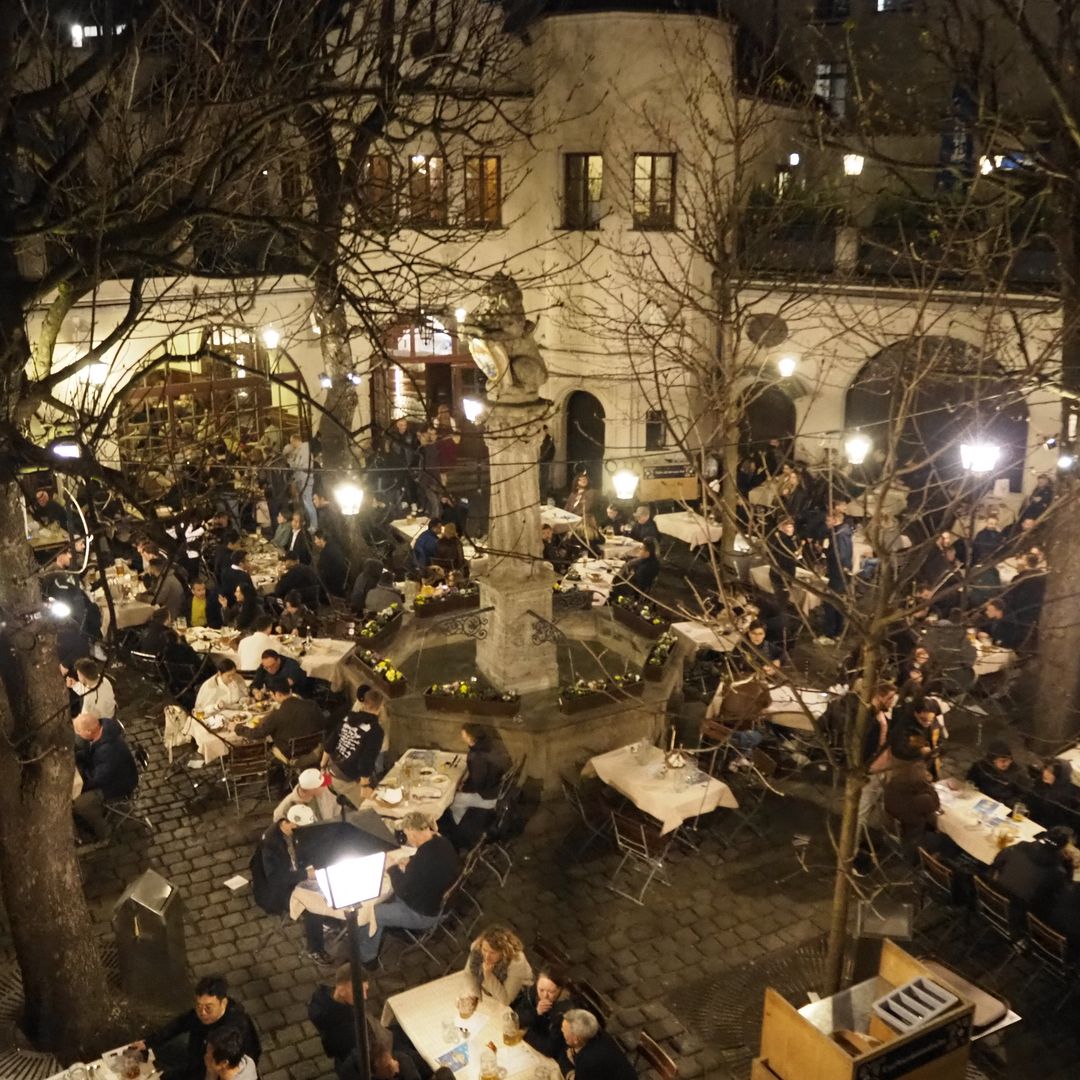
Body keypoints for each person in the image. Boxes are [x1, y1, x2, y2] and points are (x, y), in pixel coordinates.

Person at [356, 811, 460, 963]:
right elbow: (424, 863)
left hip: (425, 914)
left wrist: (391, 867)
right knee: (385, 897)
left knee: (372, 914)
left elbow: (403, 891)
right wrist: (410, 861)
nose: (408, 839)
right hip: (442, 903)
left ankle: (367, 957)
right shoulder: (441, 842)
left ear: (413, 832)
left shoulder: (424, 860)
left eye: (407, 834)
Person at [308, 964, 420, 1080]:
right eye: (361, 991)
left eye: (366, 990)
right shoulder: (345, 1028)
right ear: (342, 989)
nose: (365, 997)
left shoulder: (336, 1000)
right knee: (418, 1059)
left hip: (380, 1039)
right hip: (380, 1053)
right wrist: (388, 1060)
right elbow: (370, 1058)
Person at [138, 975, 261, 1080]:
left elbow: (250, 1054)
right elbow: (181, 1022)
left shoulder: (236, 1029)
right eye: (198, 1006)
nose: (201, 1013)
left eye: (208, 1008)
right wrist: (149, 1042)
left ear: (223, 1003)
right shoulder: (202, 1014)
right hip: (200, 1065)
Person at [72, 711, 139, 842]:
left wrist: (80, 787)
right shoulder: (101, 732)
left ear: (89, 732)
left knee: (81, 804)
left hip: (118, 785)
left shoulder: (107, 751)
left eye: (79, 732)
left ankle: (104, 831)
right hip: (111, 776)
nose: (78, 735)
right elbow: (89, 753)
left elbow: (97, 779)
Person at [991, 825, 1073, 921]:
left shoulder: (1021, 846)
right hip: (1018, 916)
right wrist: (1069, 867)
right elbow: (1059, 898)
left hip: (994, 897)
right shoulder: (1057, 872)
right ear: (1064, 847)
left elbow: (997, 861)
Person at [322, 686, 385, 807]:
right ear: (381, 706)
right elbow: (367, 760)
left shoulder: (347, 718)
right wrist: (364, 786)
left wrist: (322, 767)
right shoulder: (375, 731)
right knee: (371, 810)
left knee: (331, 800)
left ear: (363, 703)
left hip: (329, 773)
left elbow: (329, 744)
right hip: (345, 778)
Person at [237, 676, 326, 752]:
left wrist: (237, 728)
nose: (272, 697)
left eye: (272, 695)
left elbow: (257, 734)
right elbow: (323, 724)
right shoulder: (312, 704)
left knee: (269, 742)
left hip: (294, 753)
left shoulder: (276, 715)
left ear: (278, 694)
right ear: (290, 691)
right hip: (316, 748)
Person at [250, 805, 310, 916]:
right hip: (276, 892)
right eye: (300, 827)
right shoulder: (271, 844)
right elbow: (276, 878)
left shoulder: (291, 833)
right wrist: (305, 874)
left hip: (293, 876)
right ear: (290, 823)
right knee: (313, 903)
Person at [512, 966, 579, 1059]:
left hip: (552, 1055)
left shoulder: (564, 1011)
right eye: (541, 990)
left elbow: (551, 1049)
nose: (545, 995)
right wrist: (536, 1013)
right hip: (533, 1042)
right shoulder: (533, 991)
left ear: (560, 989)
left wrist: (525, 1032)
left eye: (551, 992)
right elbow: (516, 1016)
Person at [460, 926, 534, 1006]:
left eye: (492, 953)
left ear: (503, 952)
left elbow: (505, 1000)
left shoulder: (516, 962)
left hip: (519, 997)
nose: (487, 956)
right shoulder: (478, 946)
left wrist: (488, 975)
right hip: (491, 992)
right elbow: (469, 973)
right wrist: (474, 996)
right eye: (484, 950)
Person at [883, 759, 941, 857]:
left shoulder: (893, 784)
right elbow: (936, 805)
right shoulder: (922, 799)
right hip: (915, 841)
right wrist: (929, 785)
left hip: (896, 832)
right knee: (948, 840)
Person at [558, 1009, 636, 1080]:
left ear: (576, 1039)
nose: (562, 1030)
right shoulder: (596, 1033)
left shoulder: (589, 1060)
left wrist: (570, 1073)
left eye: (564, 1031)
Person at [889, 696, 947, 781]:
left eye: (930, 720)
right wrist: (919, 752)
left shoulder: (935, 722)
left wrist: (939, 749)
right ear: (915, 713)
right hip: (908, 768)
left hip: (929, 765)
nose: (927, 723)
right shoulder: (904, 726)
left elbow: (940, 738)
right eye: (923, 719)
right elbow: (898, 750)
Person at [817, 508, 852, 645]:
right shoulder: (843, 532)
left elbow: (840, 555)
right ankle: (837, 631)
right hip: (839, 575)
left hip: (837, 575)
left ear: (835, 520)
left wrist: (827, 554)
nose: (826, 522)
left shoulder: (839, 535)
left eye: (828, 519)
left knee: (830, 604)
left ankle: (830, 634)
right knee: (838, 603)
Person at [967, 740, 1029, 806]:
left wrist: (1007, 803)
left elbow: (1023, 795)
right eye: (1003, 761)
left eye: (1010, 760)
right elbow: (970, 782)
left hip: (1003, 806)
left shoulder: (1017, 772)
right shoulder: (981, 767)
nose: (1007, 763)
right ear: (993, 760)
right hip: (980, 800)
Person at [273, 767, 339, 824]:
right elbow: (279, 823)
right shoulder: (286, 806)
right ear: (312, 789)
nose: (326, 787)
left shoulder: (327, 793)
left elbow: (337, 813)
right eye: (322, 785)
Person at [1030, 759, 1077, 829]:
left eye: (1050, 772)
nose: (1045, 773)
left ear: (1059, 776)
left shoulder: (1067, 795)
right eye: (1045, 769)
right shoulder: (1040, 782)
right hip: (1032, 820)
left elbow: (1060, 820)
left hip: (1049, 827)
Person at [313, 528, 348, 597]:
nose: (315, 541)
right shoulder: (333, 545)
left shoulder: (325, 552)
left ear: (322, 539)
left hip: (333, 581)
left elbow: (320, 567)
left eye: (316, 539)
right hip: (341, 577)